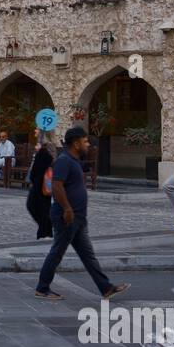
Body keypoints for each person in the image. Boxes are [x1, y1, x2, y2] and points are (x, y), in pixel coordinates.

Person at [34, 127, 130, 301]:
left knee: (87, 255)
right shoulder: (64, 160)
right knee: (57, 252)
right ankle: (42, 288)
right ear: (76, 143)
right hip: (67, 217)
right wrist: (67, 209)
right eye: (85, 141)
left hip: (78, 218)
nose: (88, 144)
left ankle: (106, 288)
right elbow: (56, 185)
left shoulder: (74, 160)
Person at [26, 131, 56, 240]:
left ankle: (45, 232)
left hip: (42, 184)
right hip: (38, 184)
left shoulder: (47, 148)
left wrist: (40, 152)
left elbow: (50, 161)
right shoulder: (41, 148)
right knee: (38, 208)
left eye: (37, 129)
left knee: (39, 207)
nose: (34, 130)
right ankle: (45, 232)